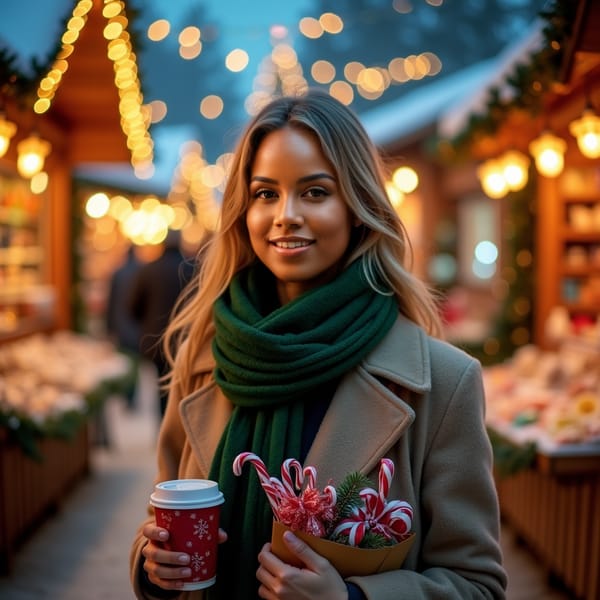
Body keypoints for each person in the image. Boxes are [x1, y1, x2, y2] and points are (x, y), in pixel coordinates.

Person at [130, 89, 507, 599]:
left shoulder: (443, 381)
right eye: (266, 194)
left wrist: (351, 599)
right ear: (243, 212)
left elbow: (477, 584)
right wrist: (153, 566)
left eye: (314, 192)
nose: (285, 215)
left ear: (356, 207)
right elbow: (160, 521)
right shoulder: (205, 357)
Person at [127, 229, 195, 418]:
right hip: (186, 339)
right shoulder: (192, 268)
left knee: (161, 388)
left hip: (154, 339)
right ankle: (182, 428)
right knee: (186, 388)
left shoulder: (148, 270)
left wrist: (145, 324)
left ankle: (164, 428)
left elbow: (133, 306)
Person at [105, 244, 141, 410]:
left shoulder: (118, 273)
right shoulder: (142, 271)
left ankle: (126, 394)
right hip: (137, 324)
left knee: (125, 360)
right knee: (134, 362)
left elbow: (111, 303)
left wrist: (109, 327)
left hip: (121, 323)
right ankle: (132, 395)